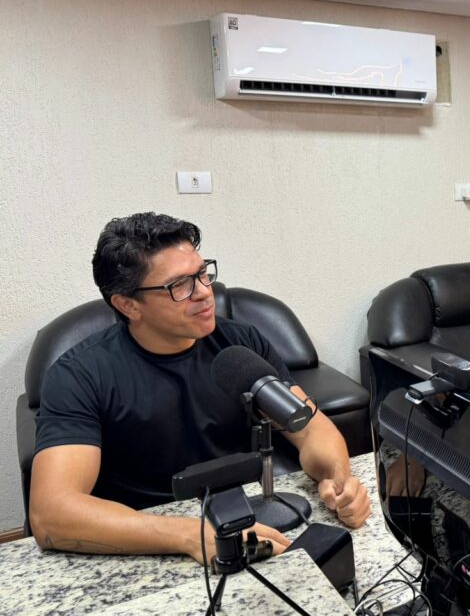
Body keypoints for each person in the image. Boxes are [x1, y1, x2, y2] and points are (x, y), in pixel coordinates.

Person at [29, 212, 371, 563]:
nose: (205, 293)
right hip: (144, 541)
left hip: (248, 518)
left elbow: (311, 428)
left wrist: (338, 479)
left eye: (202, 273)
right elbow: (51, 513)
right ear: (128, 305)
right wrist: (187, 534)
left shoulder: (240, 345)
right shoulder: (80, 375)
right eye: (179, 286)